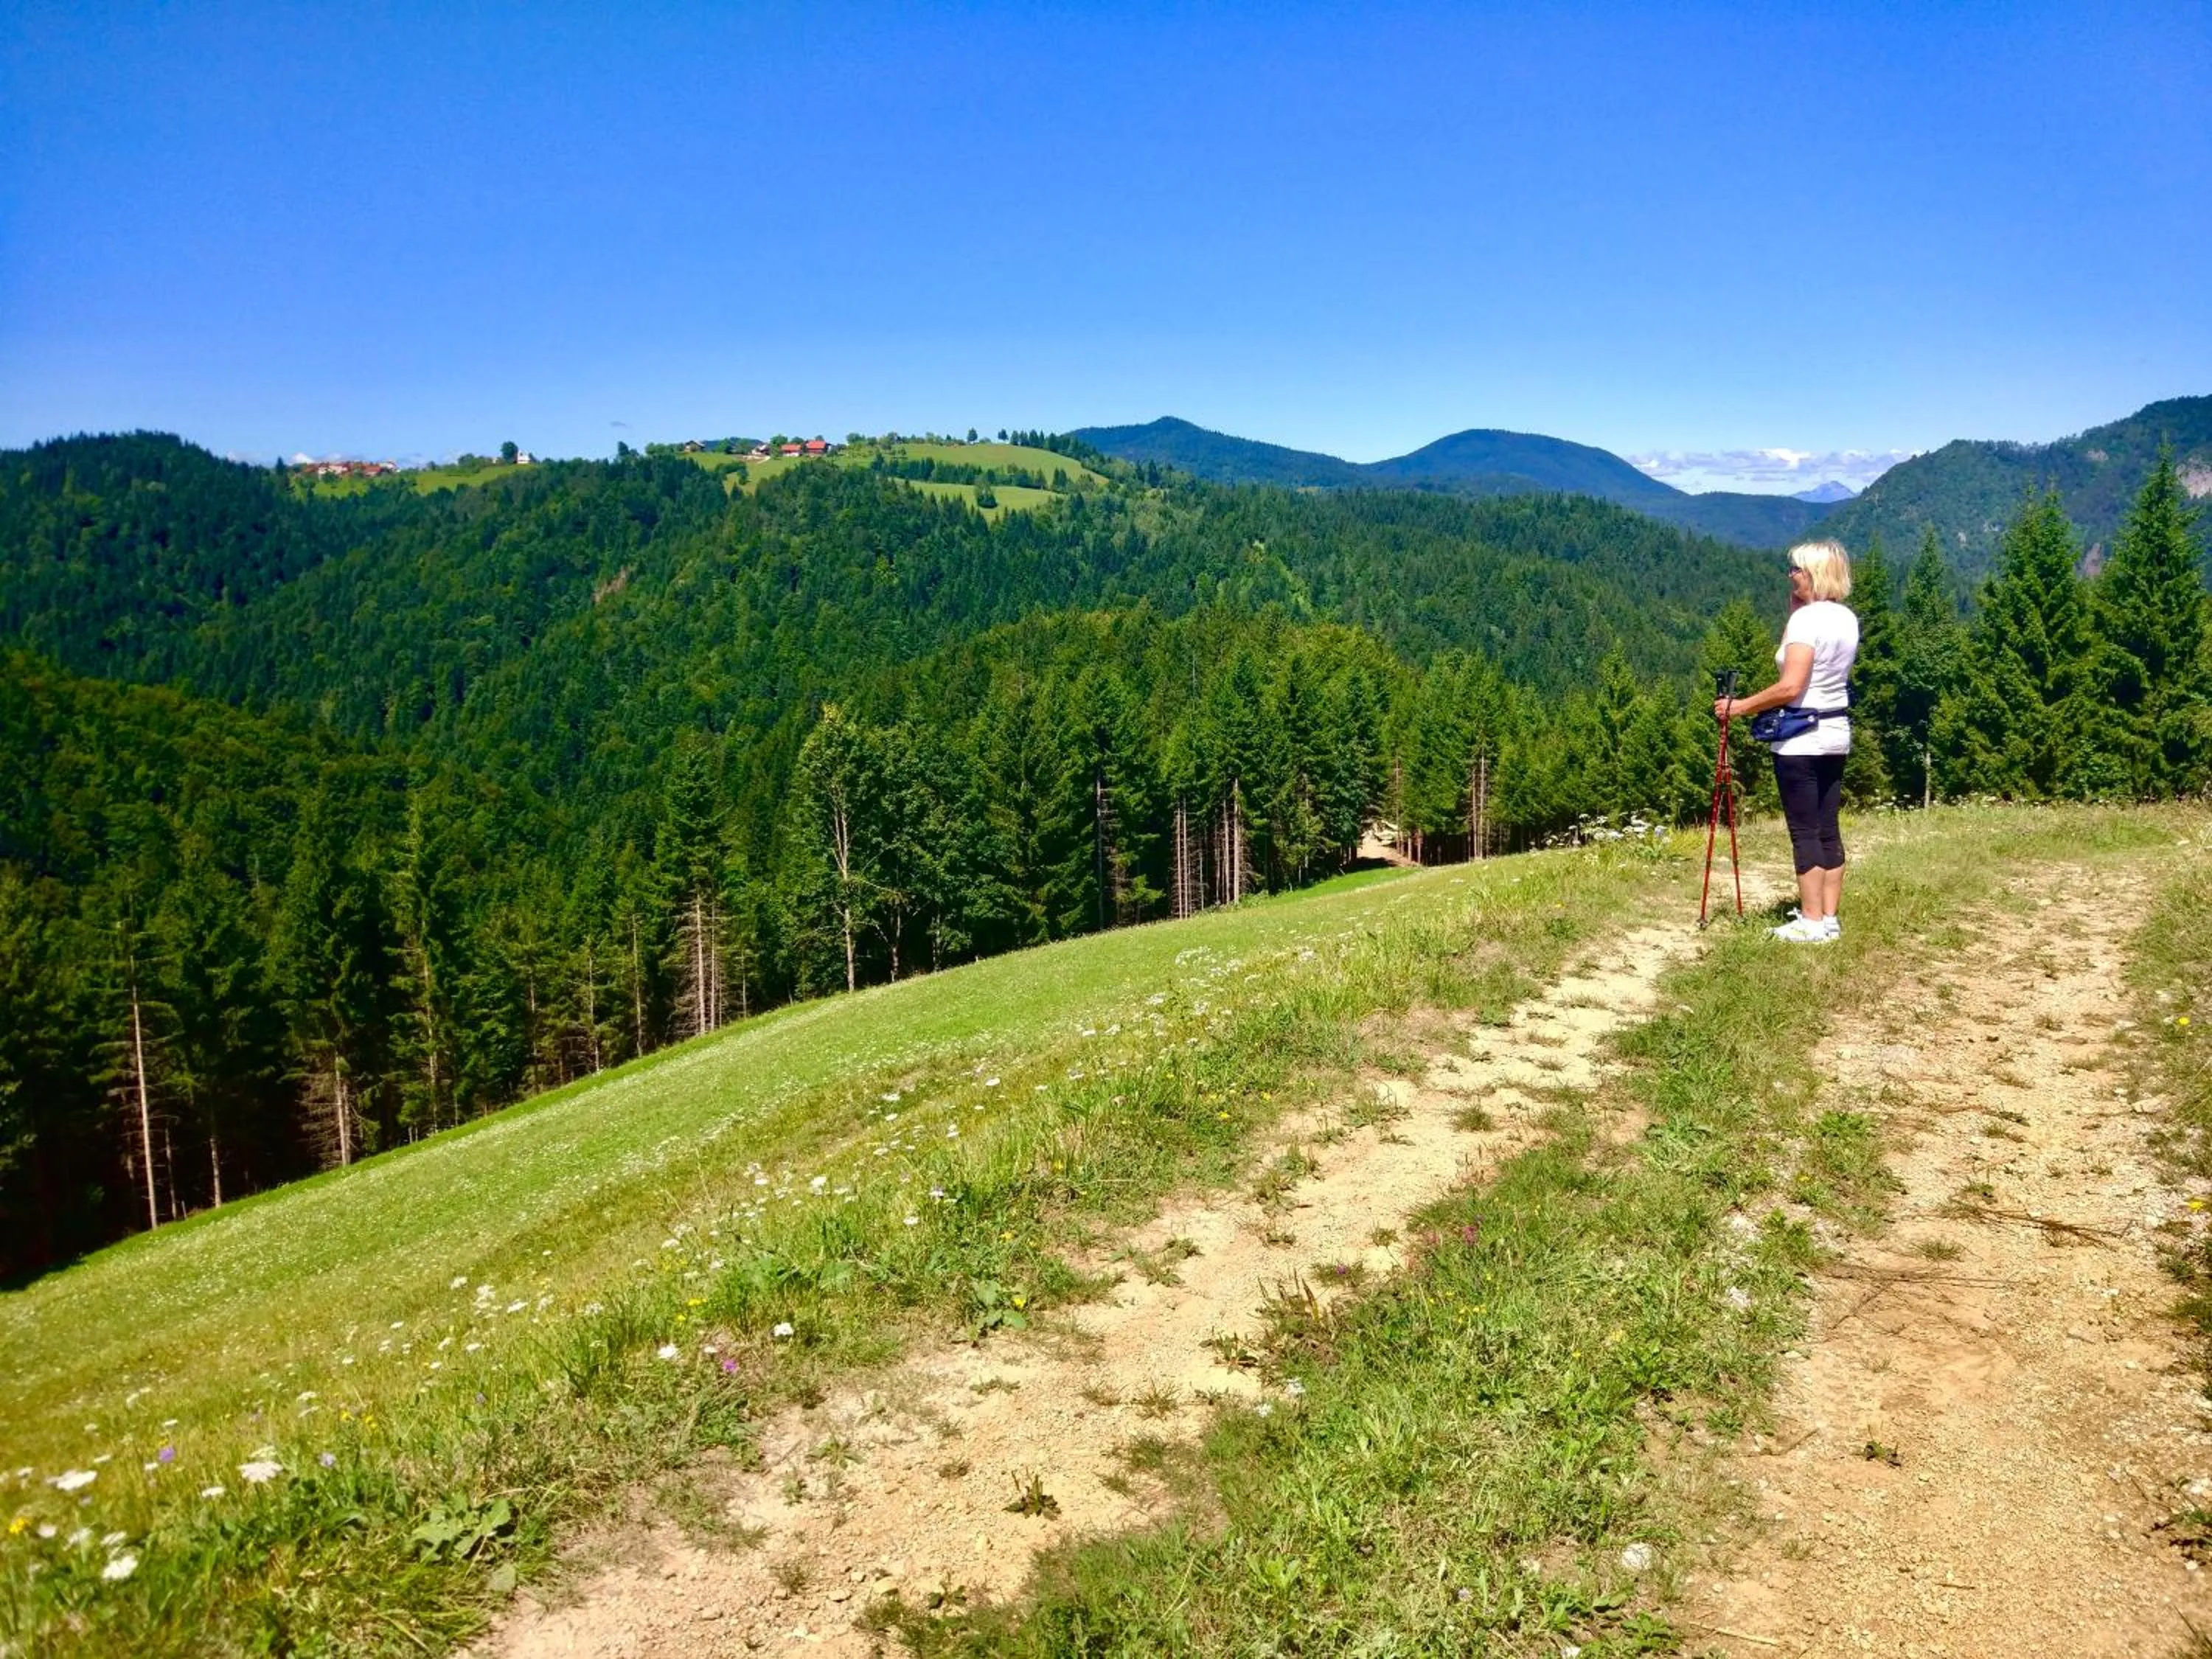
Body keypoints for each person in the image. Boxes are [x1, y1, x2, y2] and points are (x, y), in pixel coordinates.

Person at [1712, 540, 1859, 943]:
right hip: (1835, 732)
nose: (1789, 575)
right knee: (1828, 827)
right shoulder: (1845, 618)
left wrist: (1739, 707)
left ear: (1811, 573)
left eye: (1795, 569)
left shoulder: (1806, 623)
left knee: (1804, 831)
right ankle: (1829, 918)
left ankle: (1810, 923)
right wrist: (1797, 604)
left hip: (1800, 740)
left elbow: (1790, 685)